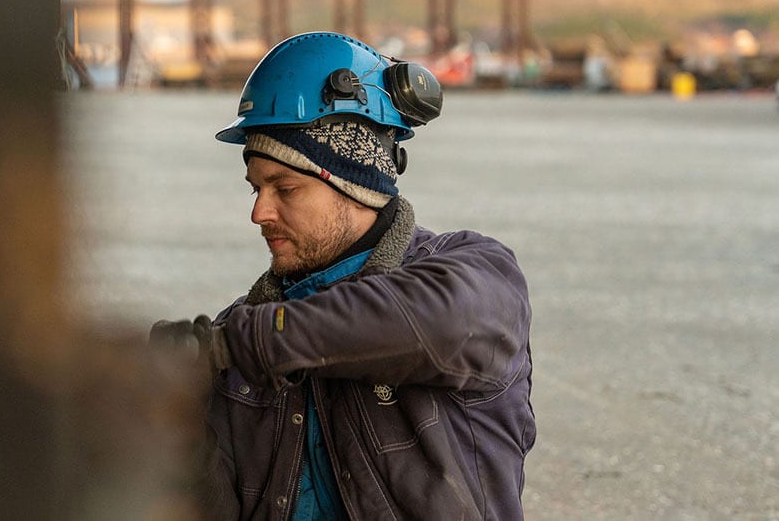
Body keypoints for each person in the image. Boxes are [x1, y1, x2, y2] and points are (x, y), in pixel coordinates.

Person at [150, 31, 535, 520]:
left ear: (355, 185)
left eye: (284, 188)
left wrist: (233, 346)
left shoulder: (476, 275)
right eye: (255, 189)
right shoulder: (239, 335)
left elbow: (429, 322)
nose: (259, 213)